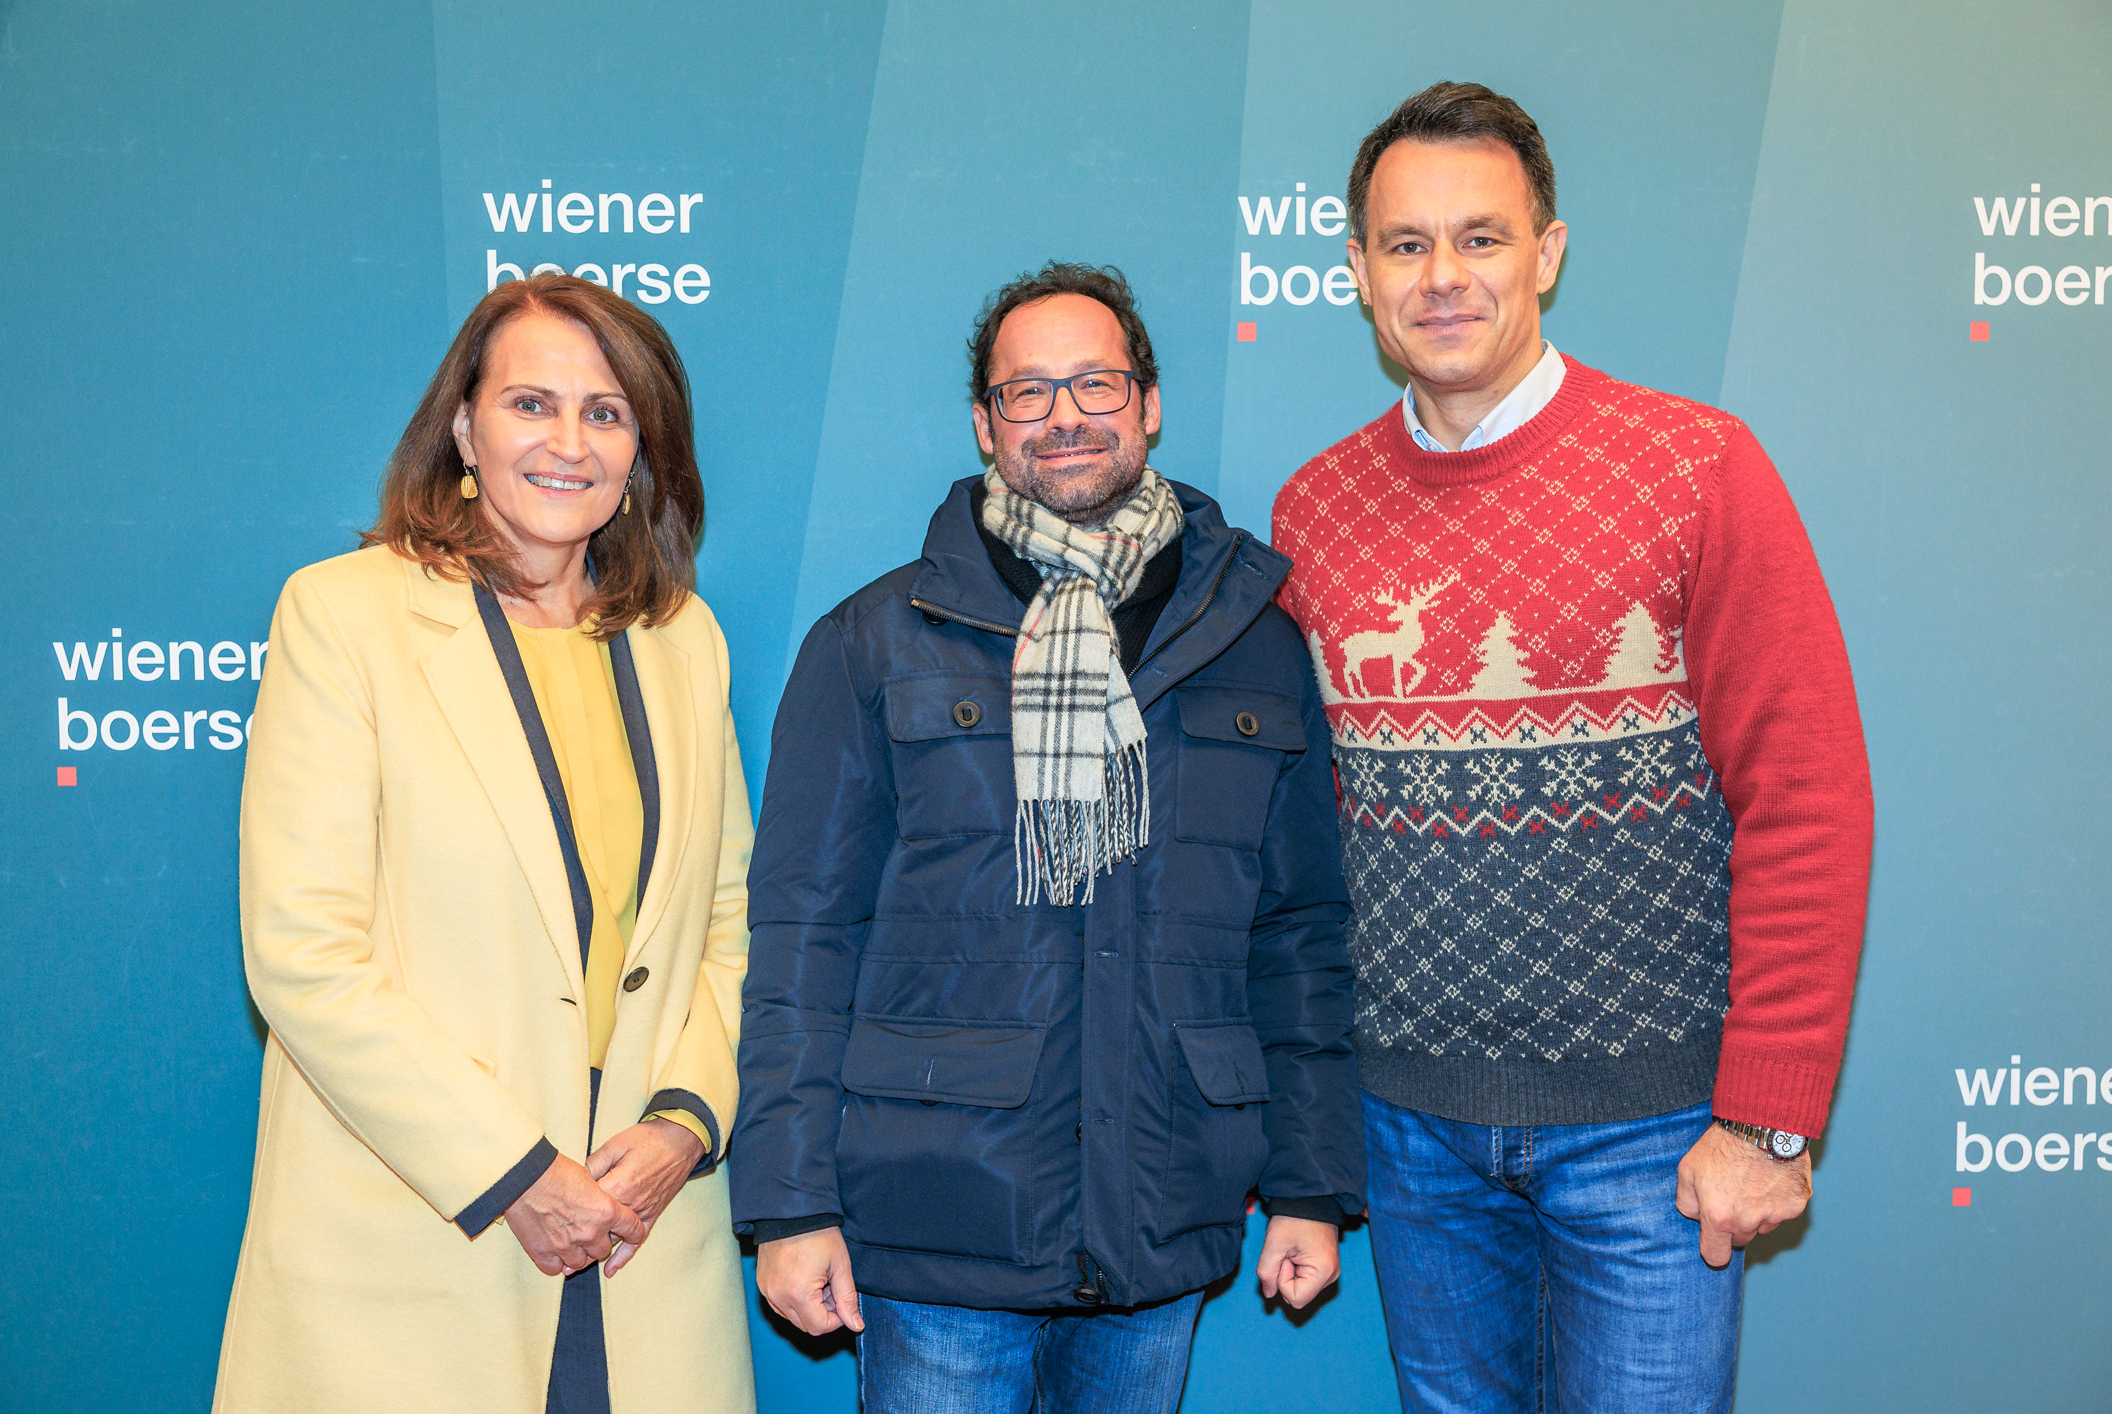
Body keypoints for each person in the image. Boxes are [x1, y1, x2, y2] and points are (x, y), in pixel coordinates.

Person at [1270, 83, 1874, 1411]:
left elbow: (1805, 798)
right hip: (1414, 1136)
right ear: (1360, 270)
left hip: (1657, 1136)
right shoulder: (1313, 510)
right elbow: (1307, 847)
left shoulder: (1695, 468)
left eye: (1480, 238)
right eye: (1406, 243)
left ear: (1546, 252)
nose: (1442, 276)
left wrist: (1766, 1117)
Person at [732, 262, 1365, 1413]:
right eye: (1026, 391)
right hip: (937, 1224)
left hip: (1162, 1213)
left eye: (1094, 382)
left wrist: (1310, 1182)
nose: (1064, 414)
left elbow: (1298, 936)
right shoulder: (876, 640)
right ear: (987, 424)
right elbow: (803, 939)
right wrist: (790, 1202)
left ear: (1149, 403)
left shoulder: (1253, 641)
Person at [214, 275, 755, 1414]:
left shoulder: (682, 639)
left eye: (606, 413)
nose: (569, 443)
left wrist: (684, 1122)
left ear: (641, 450)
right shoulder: (344, 616)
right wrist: (514, 1172)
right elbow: (304, 951)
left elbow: (732, 919)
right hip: (425, 1237)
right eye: (531, 405)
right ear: (464, 427)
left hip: (643, 1240)